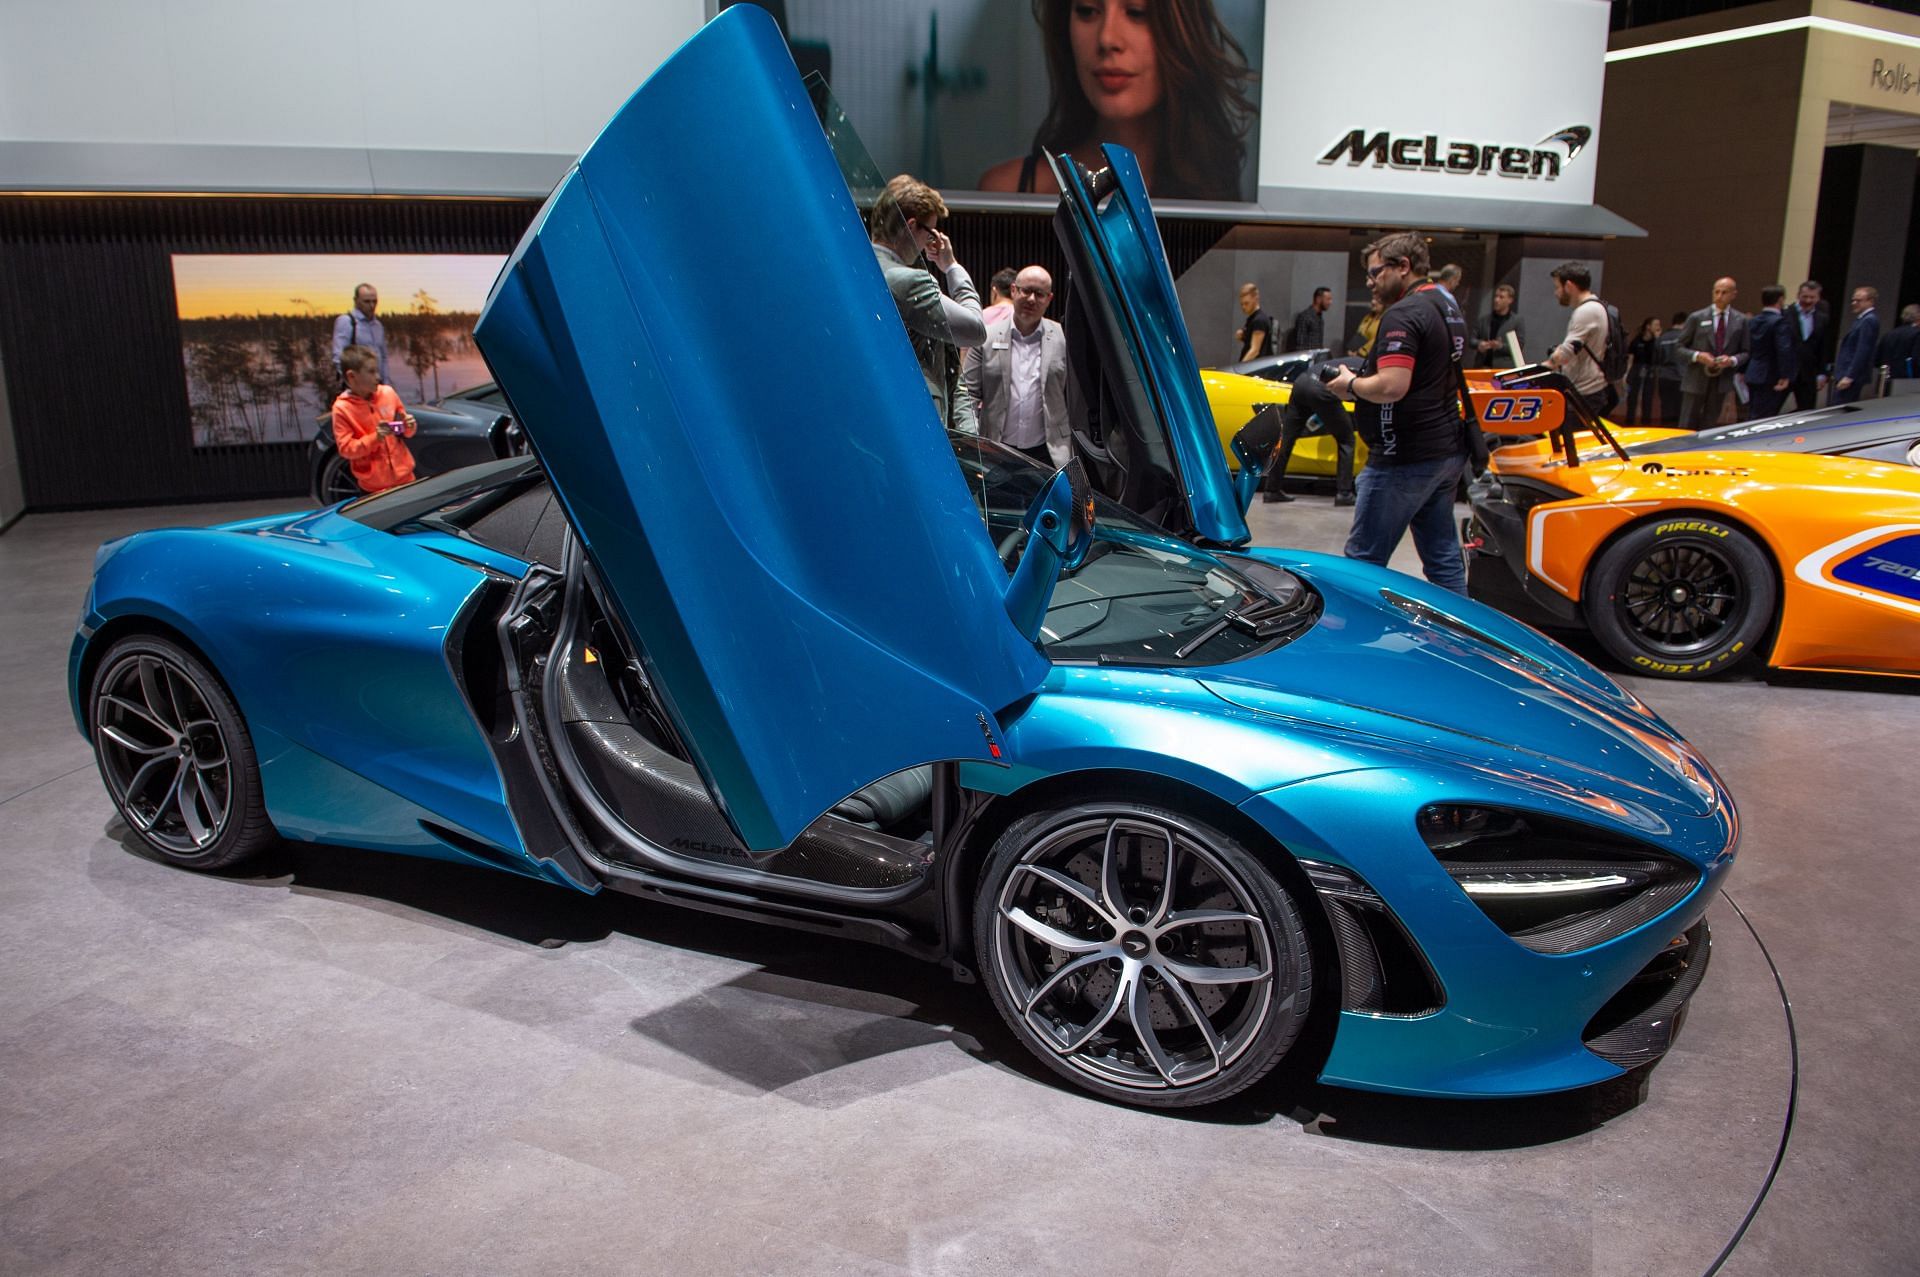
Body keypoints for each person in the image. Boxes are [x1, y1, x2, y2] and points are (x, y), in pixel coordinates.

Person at [977, 0, 1257, 202]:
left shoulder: (1216, 198)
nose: (1107, 38)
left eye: (1137, 12)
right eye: (1087, 11)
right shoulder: (1008, 191)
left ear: (1183, 31)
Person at [1325, 231, 1471, 596]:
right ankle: (1466, 643)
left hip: (1402, 459)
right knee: (1443, 561)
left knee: (1361, 566)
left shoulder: (1404, 313)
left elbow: (1392, 385)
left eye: (1376, 273)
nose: (1371, 282)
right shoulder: (1446, 303)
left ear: (1403, 267)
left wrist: (1351, 386)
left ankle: (1354, 649)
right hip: (1443, 451)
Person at [870, 174, 985, 432]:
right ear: (912, 226)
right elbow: (975, 330)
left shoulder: (852, 267)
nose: (929, 243)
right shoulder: (908, 280)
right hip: (914, 424)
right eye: (930, 232)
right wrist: (951, 266)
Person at [960, 266, 1073, 467]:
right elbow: (966, 392)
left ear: (1049, 299)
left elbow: (1075, 398)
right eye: (1026, 290)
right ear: (1013, 291)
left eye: (1039, 294)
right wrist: (971, 436)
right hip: (995, 449)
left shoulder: (1063, 339)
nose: (1031, 299)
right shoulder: (986, 337)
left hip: (1049, 452)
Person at [1260, 355, 1357, 506]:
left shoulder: (1354, 360)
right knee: (1346, 439)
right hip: (1321, 388)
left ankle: (1271, 490)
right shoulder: (1370, 367)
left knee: (1286, 438)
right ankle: (1344, 493)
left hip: (1301, 382)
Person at [331, 344, 416, 494]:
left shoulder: (388, 393)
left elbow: (406, 432)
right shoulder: (342, 408)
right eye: (371, 372)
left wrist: (409, 425)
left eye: (376, 370)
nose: (377, 377)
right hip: (373, 489)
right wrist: (375, 438)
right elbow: (346, 449)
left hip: (406, 480)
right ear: (351, 376)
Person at [1676, 277, 1749, 428]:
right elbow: (1679, 348)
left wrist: (1732, 360)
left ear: (1733, 294)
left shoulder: (1741, 320)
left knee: (1710, 423)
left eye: (1724, 292)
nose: (1719, 296)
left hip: (1722, 379)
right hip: (1696, 378)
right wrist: (1697, 356)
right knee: (1687, 423)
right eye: (1716, 292)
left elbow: (1746, 352)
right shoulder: (1697, 317)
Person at [1545, 262, 1610, 419]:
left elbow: (1565, 354)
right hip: (1590, 390)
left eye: (1557, 287)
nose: (1556, 293)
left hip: (1584, 392)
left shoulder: (1585, 312)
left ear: (1568, 286)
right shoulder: (1597, 307)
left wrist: (1550, 361)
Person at [1744, 286, 1797, 420]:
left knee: (1753, 412)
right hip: (1770, 375)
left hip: (1753, 371)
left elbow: (1747, 346)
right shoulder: (1779, 322)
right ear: (1780, 300)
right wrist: (1785, 375)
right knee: (1765, 417)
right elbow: (1784, 349)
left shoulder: (1753, 321)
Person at [1785, 281, 1831, 412]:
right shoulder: (1785, 314)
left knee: (1806, 411)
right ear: (1798, 295)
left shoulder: (1822, 318)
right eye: (1805, 297)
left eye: (1812, 297)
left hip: (1808, 373)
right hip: (1785, 372)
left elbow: (1823, 347)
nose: (1808, 300)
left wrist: (1822, 373)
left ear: (1818, 298)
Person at [330, 284, 389, 384]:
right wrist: (354, 384)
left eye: (374, 301)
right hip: (358, 388)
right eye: (366, 301)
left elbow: (383, 357)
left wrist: (386, 383)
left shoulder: (377, 326)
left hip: (377, 386)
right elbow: (339, 358)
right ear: (356, 300)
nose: (372, 305)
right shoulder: (347, 322)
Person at [1831, 285, 1880, 405]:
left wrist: (1849, 376)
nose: (1854, 303)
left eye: (1859, 300)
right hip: (1846, 371)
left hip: (1850, 374)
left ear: (1870, 301)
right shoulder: (1862, 319)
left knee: (1840, 407)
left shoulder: (1869, 320)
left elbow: (1863, 350)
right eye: (1853, 300)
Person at [1474, 284, 1524, 370]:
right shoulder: (1484, 320)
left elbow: (1519, 347)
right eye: (1496, 296)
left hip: (1503, 369)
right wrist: (1479, 344)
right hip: (1482, 367)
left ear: (1510, 300)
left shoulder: (1516, 321)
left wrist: (1500, 346)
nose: (1496, 300)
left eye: (1501, 297)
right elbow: (1472, 339)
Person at [1625, 317, 1662, 423]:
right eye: (1655, 325)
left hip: (1650, 370)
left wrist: (1657, 339)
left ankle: (1646, 422)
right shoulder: (1636, 341)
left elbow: (1659, 356)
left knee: (1648, 398)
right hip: (1636, 368)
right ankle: (1629, 421)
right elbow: (1630, 358)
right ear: (1648, 326)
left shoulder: (1657, 342)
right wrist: (1627, 374)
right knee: (1632, 397)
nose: (1658, 327)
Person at [1655, 310, 1687, 424]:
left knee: (1666, 407)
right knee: (1679, 409)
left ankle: (1665, 430)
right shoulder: (1685, 338)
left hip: (1664, 376)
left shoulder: (1663, 338)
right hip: (1681, 377)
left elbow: (1657, 357)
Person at [1877, 303, 1920, 382]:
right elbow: (1916, 359)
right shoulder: (1917, 334)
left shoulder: (1889, 334)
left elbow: (1877, 359)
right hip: (1908, 382)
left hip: (1885, 380)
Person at [1234, 283, 1272, 362]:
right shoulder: (1253, 319)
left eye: (1246, 303)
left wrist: (1240, 368)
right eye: (1242, 304)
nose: (1243, 307)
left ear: (1256, 299)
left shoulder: (1259, 320)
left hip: (1255, 370)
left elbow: (1254, 351)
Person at [1289, 287, 1332, 353]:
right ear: (1318, 299)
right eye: (1328, 299)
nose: (1330, 302)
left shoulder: (1319, 318)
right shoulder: (1305, 317)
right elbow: (1300, 344)